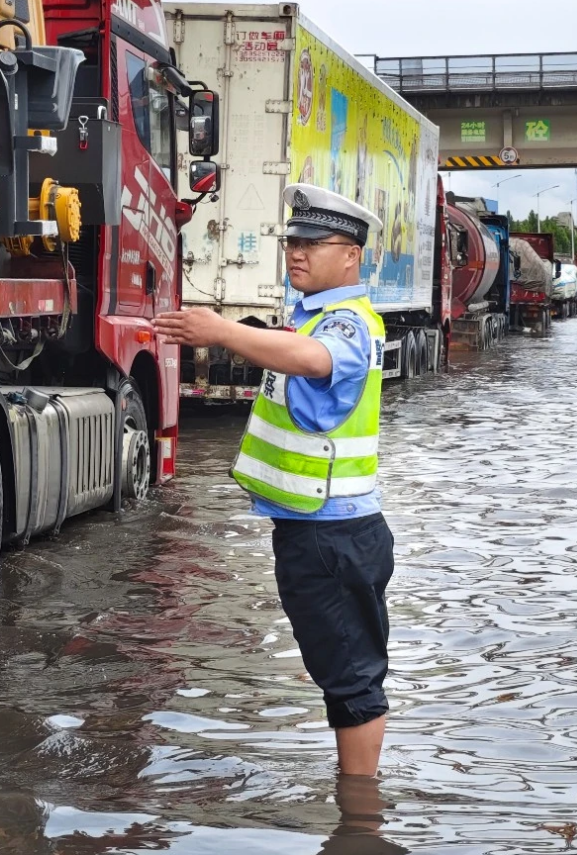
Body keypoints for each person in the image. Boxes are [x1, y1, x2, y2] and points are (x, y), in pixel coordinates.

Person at [155, 183, 395, 778]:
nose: (297, 251)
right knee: (345, 673)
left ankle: (361, 821)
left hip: (332, 538)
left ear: (351, 256)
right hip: (320, 534)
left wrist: (223, 332)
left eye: (315, 242)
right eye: (293, 240)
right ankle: (358, 809)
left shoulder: (345, 325)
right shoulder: (313, 320)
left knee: (352, 681)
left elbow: (317, 362)